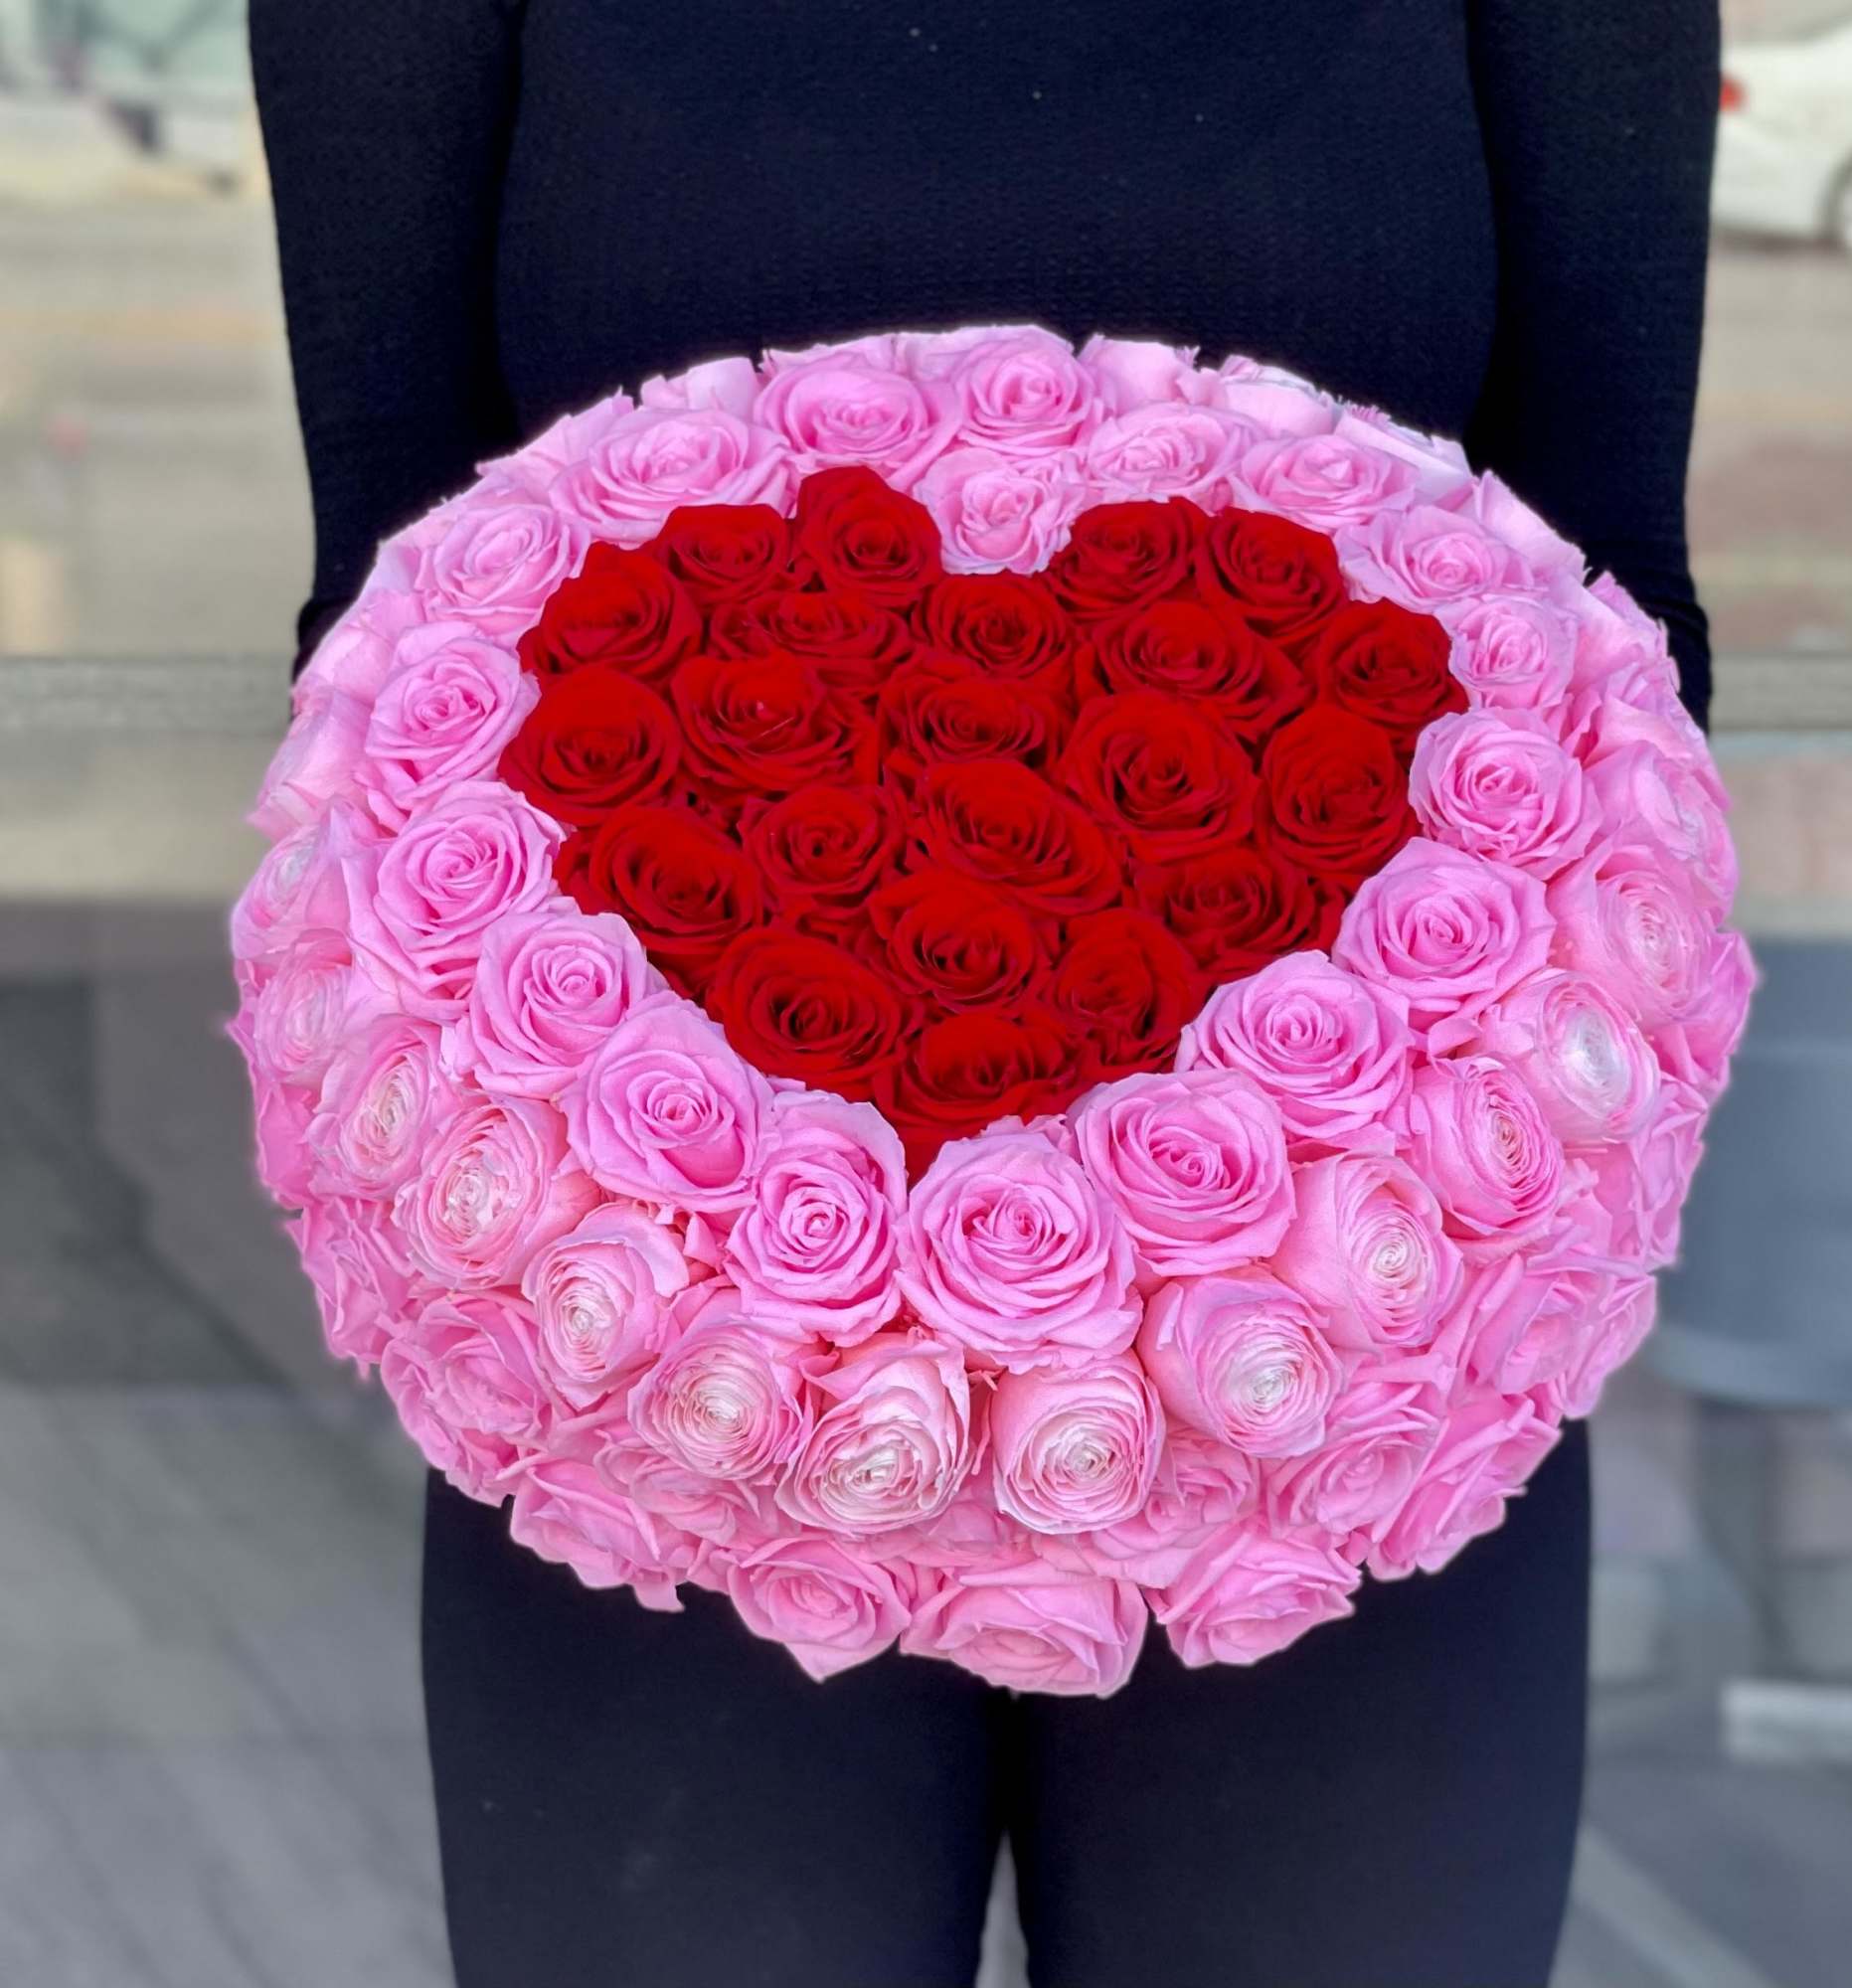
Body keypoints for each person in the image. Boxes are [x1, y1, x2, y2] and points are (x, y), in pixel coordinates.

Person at [249, 5, 1717, 1983]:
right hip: (688, 1374)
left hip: (1334, 1350)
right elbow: (395, 635)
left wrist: (1413, 1192)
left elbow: (1615, 631)